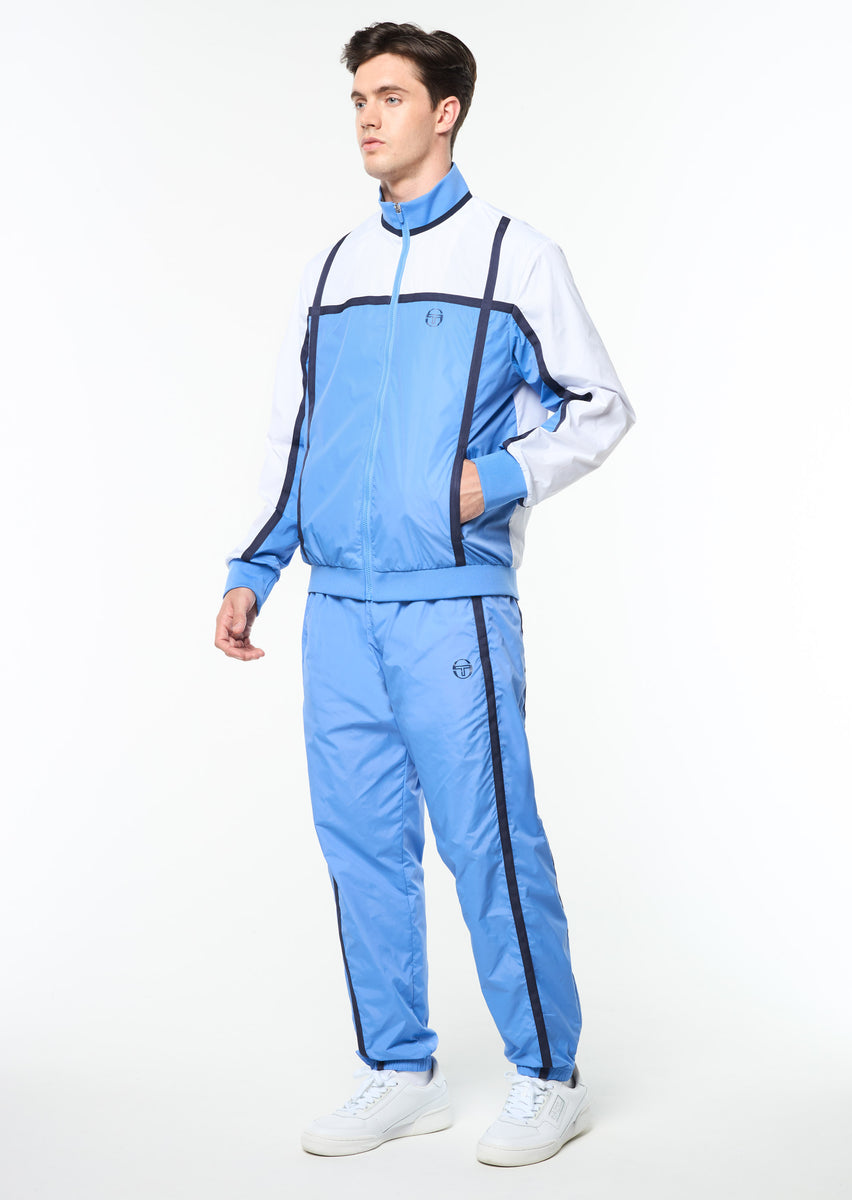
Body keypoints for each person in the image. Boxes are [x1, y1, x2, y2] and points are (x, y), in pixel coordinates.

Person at [214, 21, 635, 1168]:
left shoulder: (514, 255)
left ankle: (547, 1076)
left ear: (445, 112)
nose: (367, 116)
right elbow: (295, 430)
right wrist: (254, 568)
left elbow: (598, 404)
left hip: (453, 605)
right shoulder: (336, 266)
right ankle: (399, 1070)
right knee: (361, 845)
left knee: (488, 840)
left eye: (390, 96)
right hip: (340, 611)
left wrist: (499, 477)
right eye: (359, 97)